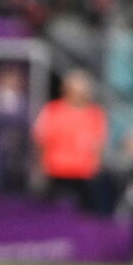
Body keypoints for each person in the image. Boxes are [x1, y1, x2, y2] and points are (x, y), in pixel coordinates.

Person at [32, 70, 109, 211]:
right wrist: (40, 166)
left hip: (84, 173)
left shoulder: (95, 114)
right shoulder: (52, 110)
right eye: (76, 89)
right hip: (56, 171)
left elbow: (99, 143)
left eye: (83, 90)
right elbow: (40, 139)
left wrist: (95, 165)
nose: (80, 93)